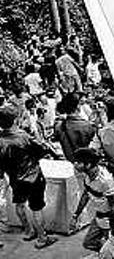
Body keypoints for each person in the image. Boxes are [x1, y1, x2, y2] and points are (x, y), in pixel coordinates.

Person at [0, 105, 56, 249]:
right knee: (36, 208)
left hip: (14, 178)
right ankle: (42, 238)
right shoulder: (23, 136)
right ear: (15, 119)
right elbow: (42, 149)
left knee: (19, 204)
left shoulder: (1, 140)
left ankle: (28, 230)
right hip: (33, 175)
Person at [71, 148, 114, 252]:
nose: (75, 164)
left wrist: (112, 228)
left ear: (88, 165)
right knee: (88, 243)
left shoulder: (105, 181)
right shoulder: (87, 176)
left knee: (110, 248)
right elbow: (85, 195)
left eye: (78, 162)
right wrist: (76, 215)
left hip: (108, 218)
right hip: (98, 216)